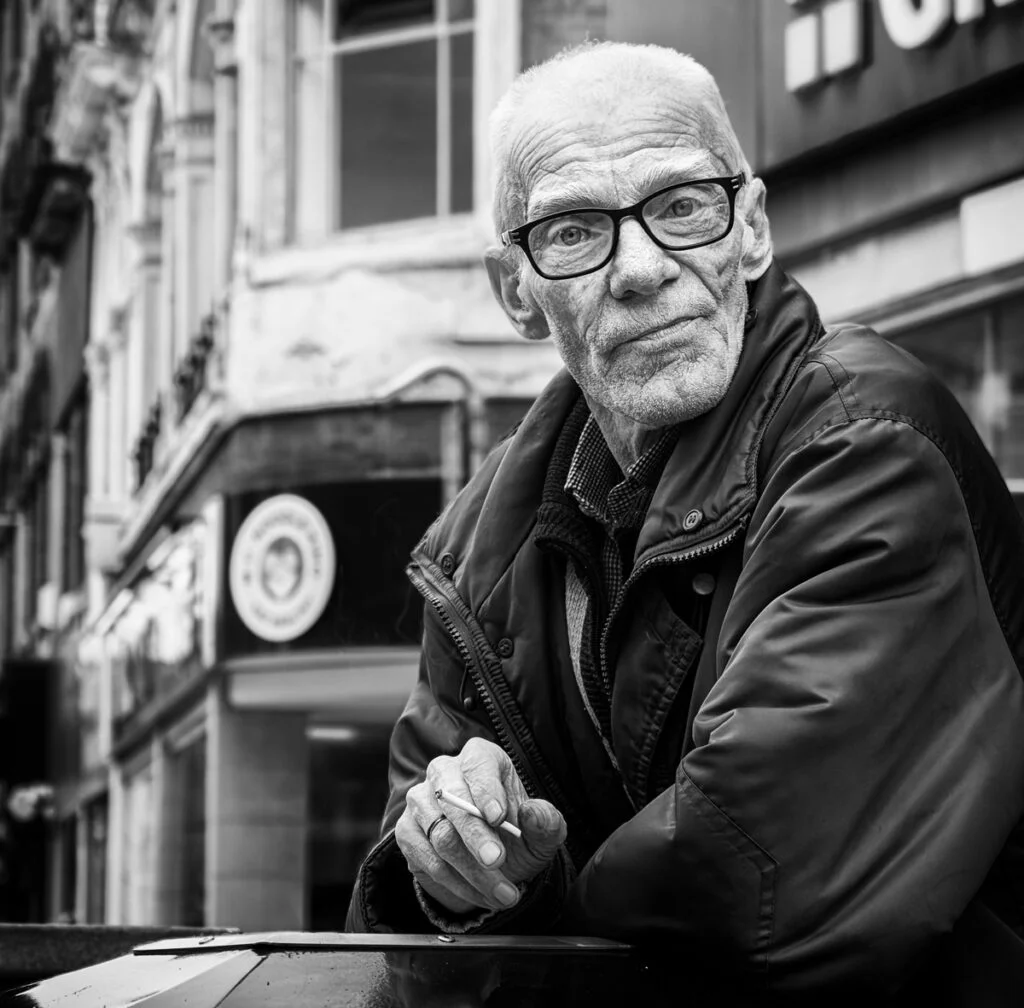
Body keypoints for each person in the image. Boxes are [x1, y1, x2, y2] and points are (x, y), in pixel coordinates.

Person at [346, 41, 1024, 999]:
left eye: (681, 208)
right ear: (516, 291)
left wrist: (524, 906)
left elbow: (753, 888)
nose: (641, 268)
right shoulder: (474, 550)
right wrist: (448, 865)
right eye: (575, 231)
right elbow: (402, 944)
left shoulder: (868, 445)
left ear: (750, 228)